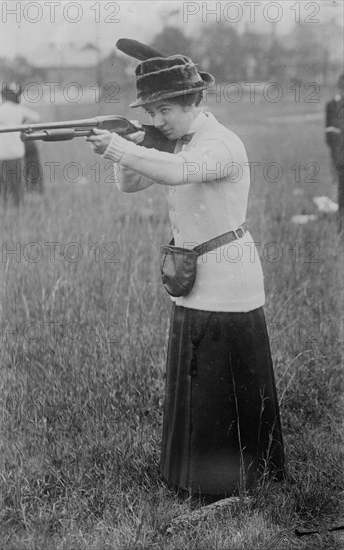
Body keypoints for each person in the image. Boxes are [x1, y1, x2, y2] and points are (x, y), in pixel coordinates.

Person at [87, 54, 285, 499]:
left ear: (193, 100)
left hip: (227, 280)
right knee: (197, 382)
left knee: (224, 383)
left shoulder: (220, 143)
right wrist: (131, 144)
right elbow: (130, 185)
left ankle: (240, 480)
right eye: (152, 112)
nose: (159, 119)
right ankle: (193, 477)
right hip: (193, 277)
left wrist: (124, 146)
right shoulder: (178, 141)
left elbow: (179, 172)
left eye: (165, 111)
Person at [0, 82, 41, 210]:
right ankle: (17, 208)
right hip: (16, 153)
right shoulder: (20, 109)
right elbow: (37, 117)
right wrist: (24, 126)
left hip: (0, 153)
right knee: (16, 184)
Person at [325, 74, 344, 233]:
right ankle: (341, 230)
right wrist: (337, 159)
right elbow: (330, 135)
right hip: (340, 159)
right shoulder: (332, 105)